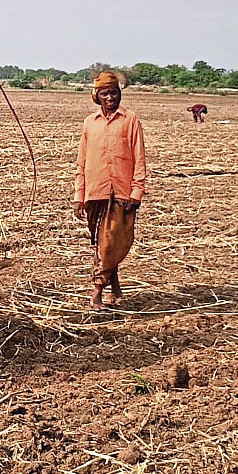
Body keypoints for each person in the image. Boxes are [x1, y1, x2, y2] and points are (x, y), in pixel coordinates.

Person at [73, 71, 149, 308]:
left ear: (120, 94)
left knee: (111, 242)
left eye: (114, 92)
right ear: (96, 96)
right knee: (103, 243)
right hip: (95, 193)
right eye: (105, 93)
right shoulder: (89, 123)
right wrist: (79, 196)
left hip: (122, 195)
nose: (110, 98)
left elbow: (139, 158)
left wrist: (136, 192)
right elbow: (82, 162)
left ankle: (96, 290)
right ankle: (115, 288)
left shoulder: (130, 120)